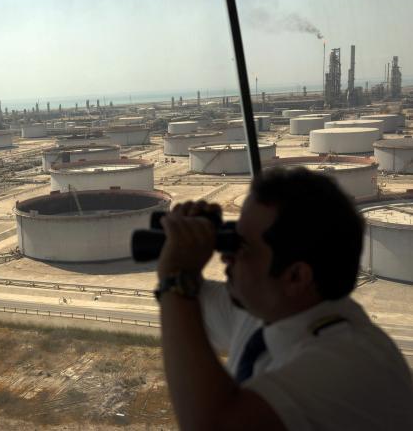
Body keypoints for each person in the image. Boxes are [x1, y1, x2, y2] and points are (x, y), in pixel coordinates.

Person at [156, 167, 413, 430]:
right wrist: (183, 246)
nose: (225, 256)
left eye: (241, 247)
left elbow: (212, 424)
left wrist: (176, 277)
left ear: (296, 277)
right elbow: (187, 308)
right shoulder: (268, 315)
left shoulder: (351, 363)